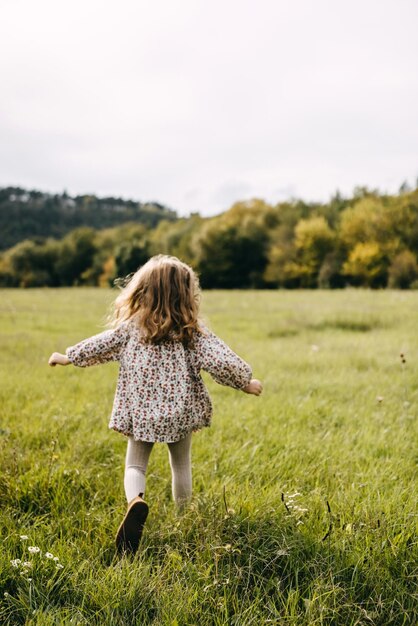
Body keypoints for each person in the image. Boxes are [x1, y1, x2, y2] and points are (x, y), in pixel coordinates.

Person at [48, 254, 262, 555]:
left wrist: (69, 356)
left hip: (141, 413)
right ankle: (184, 518)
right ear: (187, 294)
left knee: (136, 464)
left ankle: (135, 500)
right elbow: (221, 359)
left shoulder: (133, 328)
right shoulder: (191, 331)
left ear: (142, 290)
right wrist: (245, 382)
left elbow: (101, 343)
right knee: (181, 465)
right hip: (180, 413)